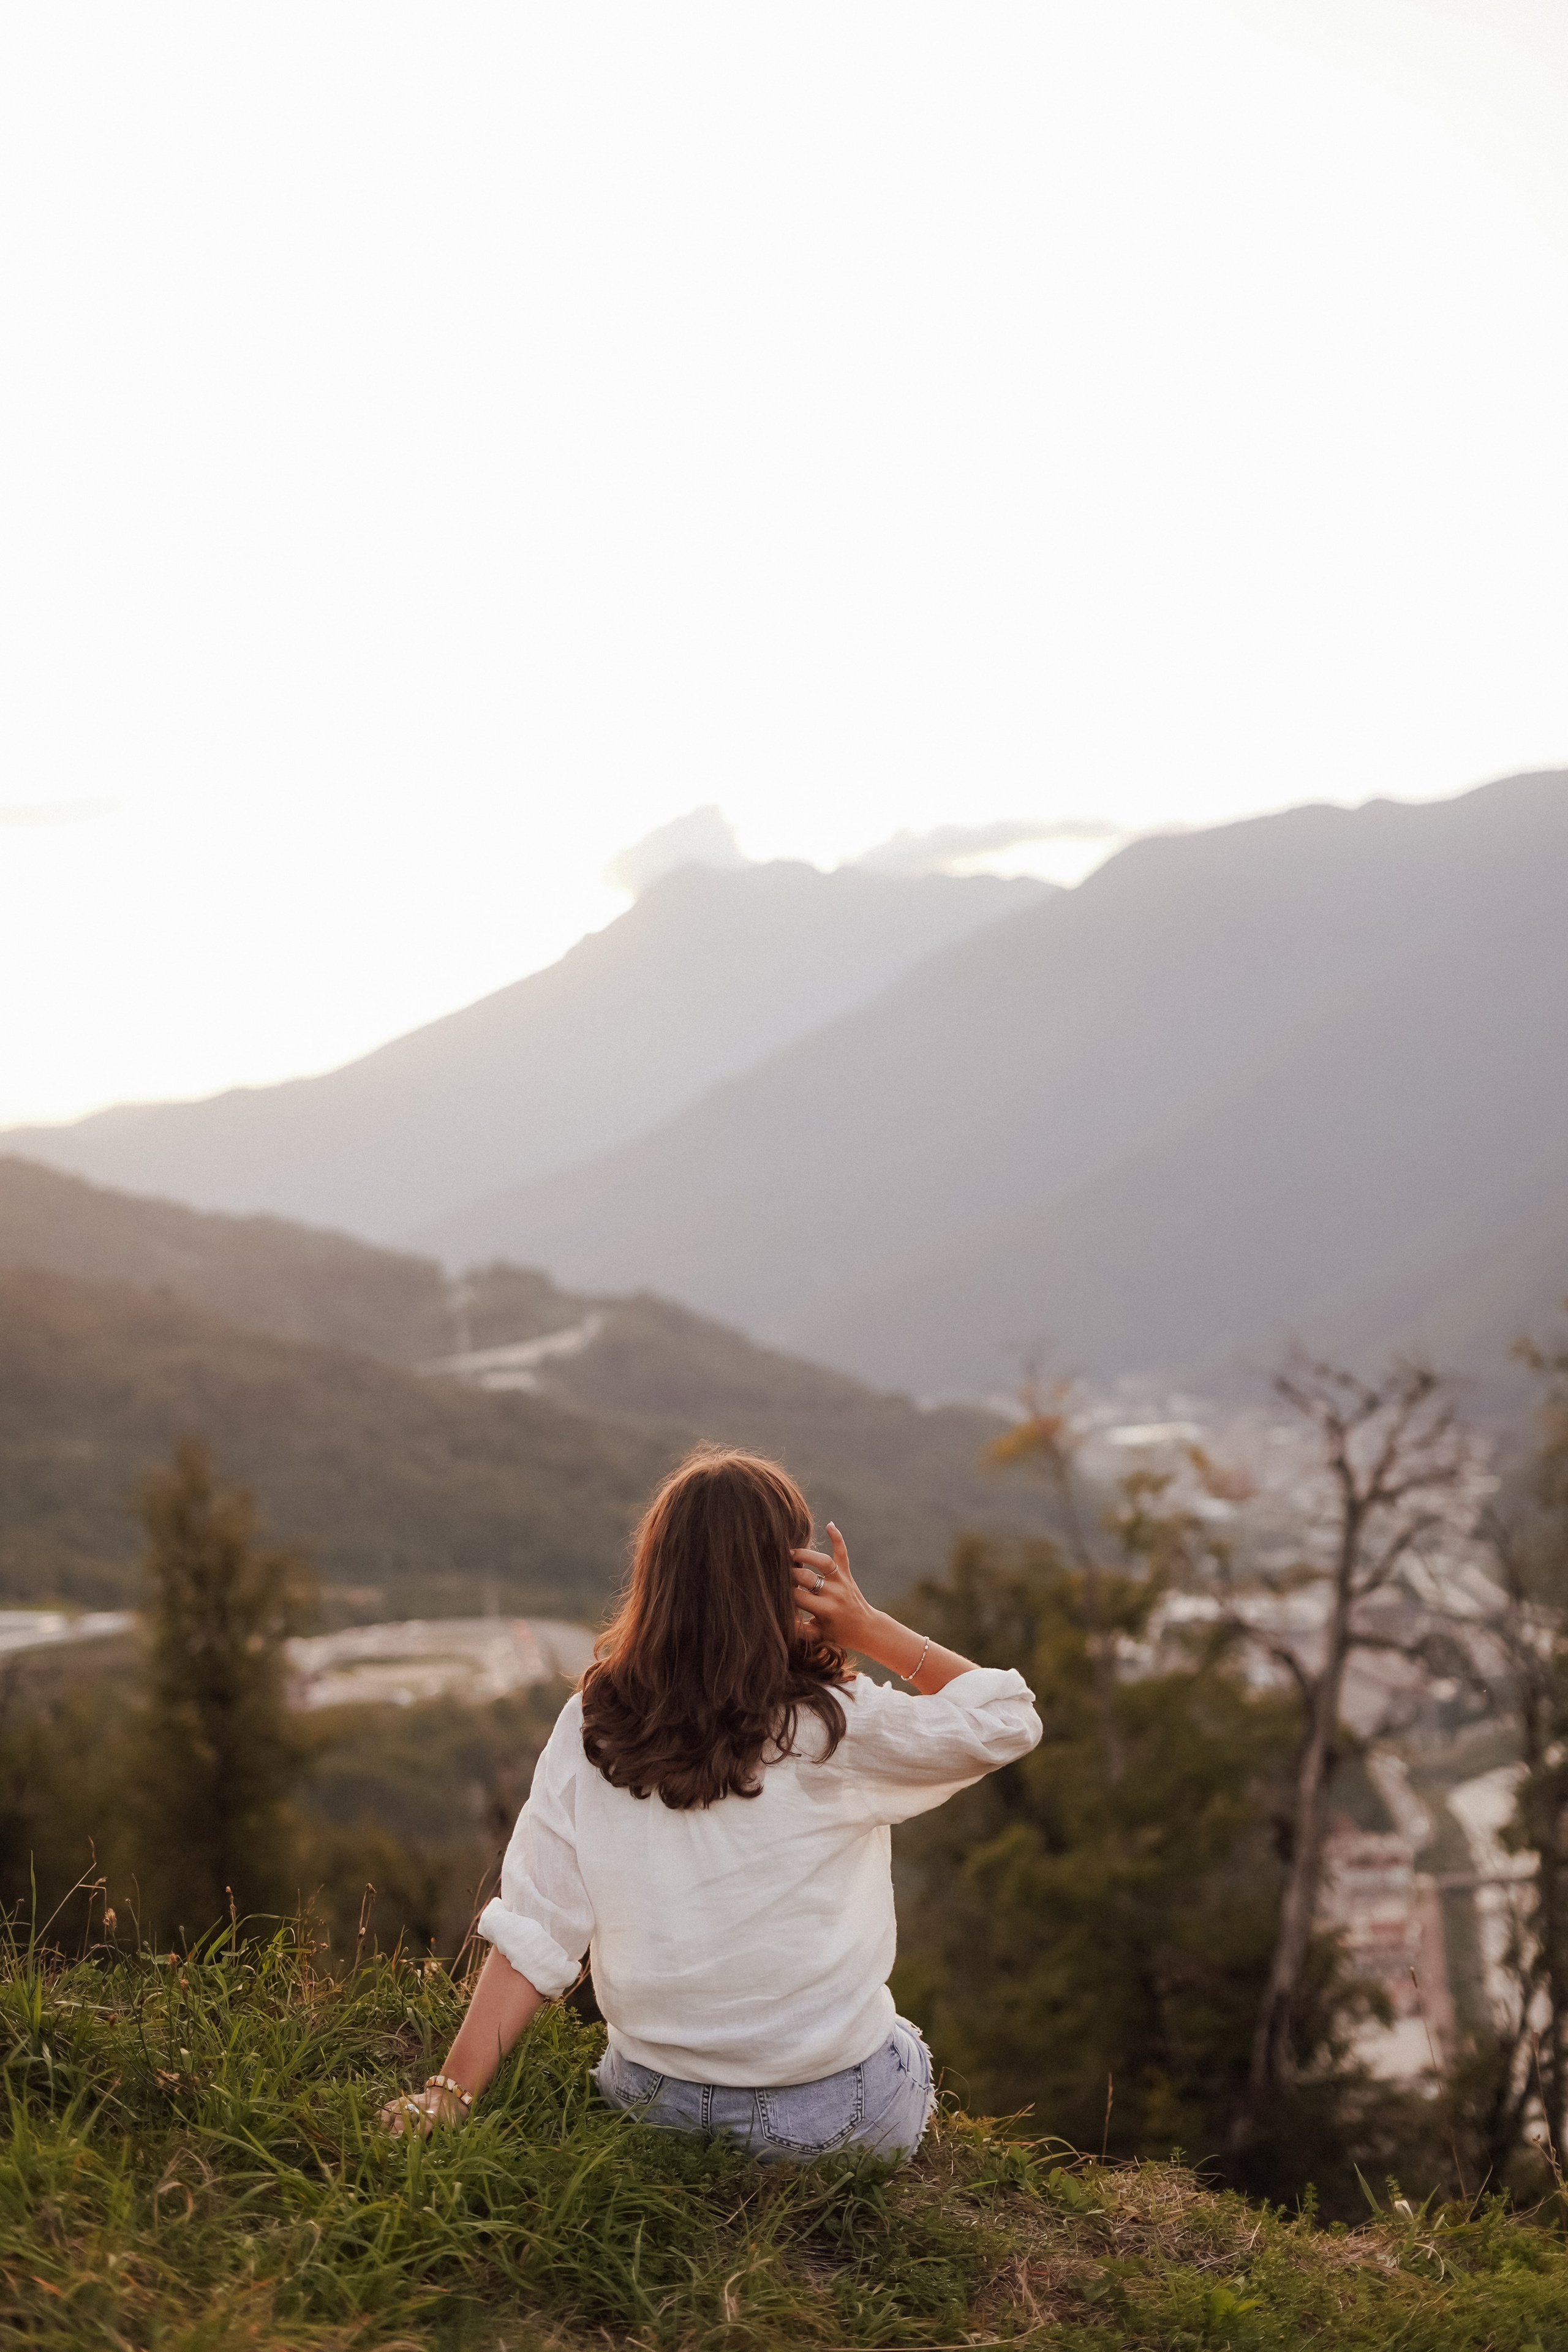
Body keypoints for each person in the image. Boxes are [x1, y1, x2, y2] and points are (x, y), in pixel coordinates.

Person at [384, 1447, 1041, 2162]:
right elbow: (1008, 1718)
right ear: (788, 1579)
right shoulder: (830, 1723)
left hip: (653, 2105)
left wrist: (448, 2093)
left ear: (657, 1574)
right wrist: (869, 1629)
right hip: (829, 2120)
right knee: (900, 2043)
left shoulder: (593, 1722)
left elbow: (535, 1932)